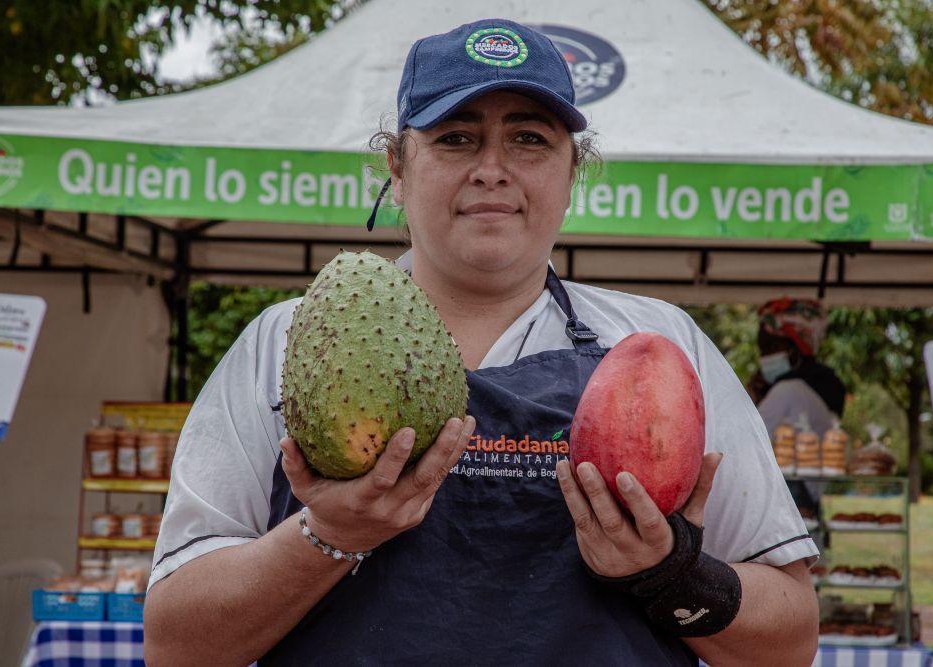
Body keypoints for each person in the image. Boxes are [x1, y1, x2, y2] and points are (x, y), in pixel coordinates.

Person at [144, 19, 819, 666]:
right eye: (456, 138)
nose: (492, 168)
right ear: (398, 169)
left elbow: (789, 641)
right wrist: (330, 536)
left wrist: (673, 574)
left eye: (529, 139)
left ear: (571, 172)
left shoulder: (658, 348)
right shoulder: (287, 342)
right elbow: (177, 644)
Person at [748, 297, 846, 438]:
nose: (765, 357)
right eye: (763, 350)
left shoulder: (788, 390)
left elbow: (749, 440)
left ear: (796, 351)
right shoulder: (826, 388)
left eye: (772, 347)